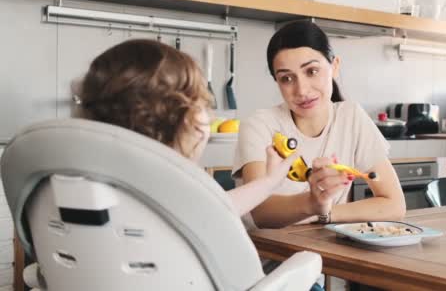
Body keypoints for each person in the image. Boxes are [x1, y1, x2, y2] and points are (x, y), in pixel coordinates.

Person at [78, 38, 297, 216]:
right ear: (183, 120)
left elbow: (220, 208)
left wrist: (269, 182)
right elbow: (213, 213)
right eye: (201, 103)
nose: (209, 118)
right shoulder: (182, 189)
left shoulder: (91, 188)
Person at [233, 20, 406, 230]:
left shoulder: (351, 117)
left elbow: (394, 204)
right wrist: (313, 204)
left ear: (334, 67)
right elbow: (261, 212)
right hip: (267, 257)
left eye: (312, 71)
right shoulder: (260, 125)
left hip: (326, 253)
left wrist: (325, 211)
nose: (302, 90)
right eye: (287, 78)